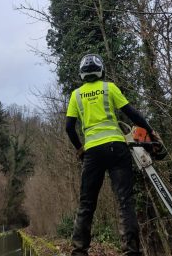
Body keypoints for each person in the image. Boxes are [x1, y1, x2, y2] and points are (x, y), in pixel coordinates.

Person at [66, 53, 164, 256]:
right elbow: (133, 114)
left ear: (82, 74)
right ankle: (131, 251)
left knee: (86, 203)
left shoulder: (76, 95)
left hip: (92, 152)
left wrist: (80, 149)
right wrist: (150, 131)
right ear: (101, 70)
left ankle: (79, 251)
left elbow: (69, 128)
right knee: (124, 200)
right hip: (117, 149)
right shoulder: (109, 88)